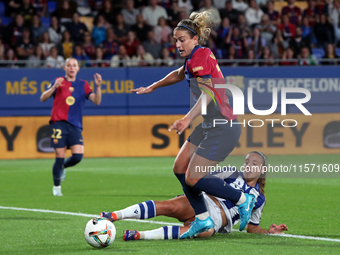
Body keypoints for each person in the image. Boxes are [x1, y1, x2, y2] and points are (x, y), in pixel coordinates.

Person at [130, 11, 256, 239]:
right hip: (211, 125)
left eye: (182, 40)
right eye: (176, 40)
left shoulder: (201, 56)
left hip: (223, 126)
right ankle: (202, 218)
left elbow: (207, 92)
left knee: (193, 177)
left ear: (195, 39)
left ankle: (242, 199)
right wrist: (152, 87)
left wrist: (187, 118)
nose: (177, 44)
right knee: (179, 168)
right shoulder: (193, 58)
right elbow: (179, 74)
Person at [101, 151, 289, 241]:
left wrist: (268, 232)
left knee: (204, 232)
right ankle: (115, 215)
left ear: (263, 170)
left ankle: (139, 235)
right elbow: (202, 179)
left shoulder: (260, 199)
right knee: (170, 206)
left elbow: (252, 227)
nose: (248, 165)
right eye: (247, 162)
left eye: (254, 163)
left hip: (218, 222)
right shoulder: (231, 172)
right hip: (204, 202)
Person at [40, 58, 102, 196]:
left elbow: (97, 101)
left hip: (75, 126)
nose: (72, 68)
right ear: (65, 68)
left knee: (78, 156)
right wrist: (54, 87)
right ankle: (57, 188)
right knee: (59, 156)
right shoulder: (58, 81)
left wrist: (98, 87)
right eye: (69, 65)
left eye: (74, 65)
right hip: (58, 123)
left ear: (78, 68)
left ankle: (62, 168)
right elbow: (43, 98)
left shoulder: (83, 84)